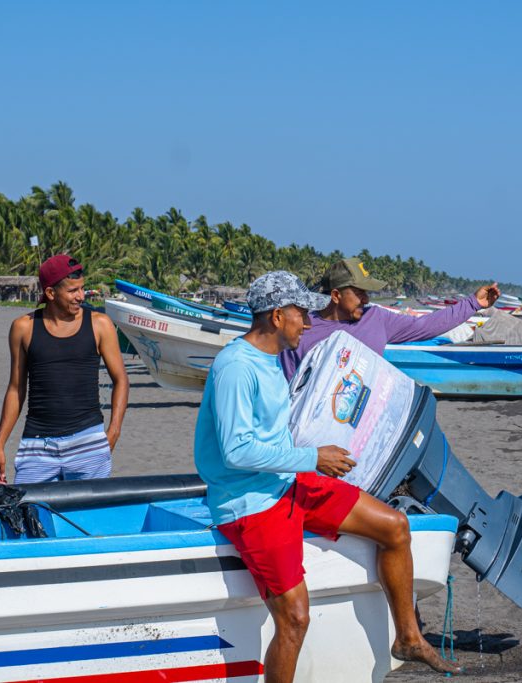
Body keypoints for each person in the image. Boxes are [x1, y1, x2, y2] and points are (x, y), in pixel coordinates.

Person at [194, 270, 460, 681]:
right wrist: (311, 457)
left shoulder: (269, 362)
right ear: (277, 316)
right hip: (249, 504)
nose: (309, 322)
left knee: (394, 527)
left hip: (286, 484)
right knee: (296, 618)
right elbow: (236, 450)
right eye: (302, 313)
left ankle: (408, 636)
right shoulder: (235, 367)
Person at [0, 254, 129, 484]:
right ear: (51, 293)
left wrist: (113, 431)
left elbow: (121, 379)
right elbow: (16, 389)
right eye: (73, 291)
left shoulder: (99, 324)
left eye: (82, 289)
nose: (81, 296)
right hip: (37, 445)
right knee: (29, 515)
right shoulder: (23, 328)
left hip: (89, 442)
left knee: (85, 519)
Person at [280, 257, 501, 380]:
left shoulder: (376, 319)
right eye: (360, 293)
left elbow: (427, 326)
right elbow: (287, 390)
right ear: (336, 296)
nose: (366, 299)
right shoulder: (302, 331)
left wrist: (473, 303)